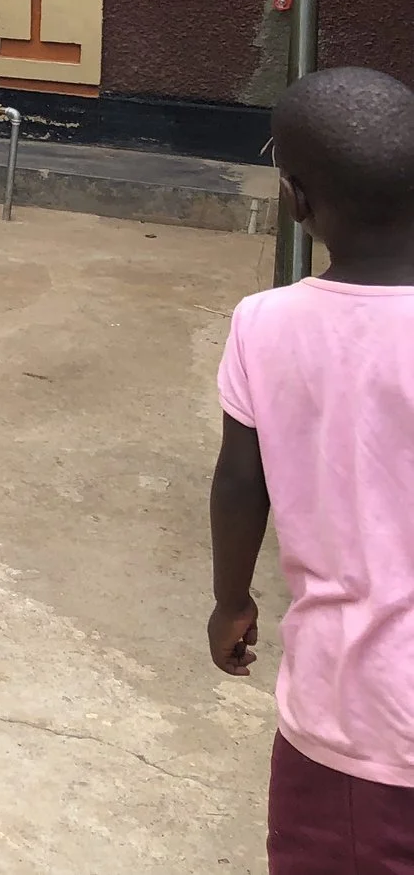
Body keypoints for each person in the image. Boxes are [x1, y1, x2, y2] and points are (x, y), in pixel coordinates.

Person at [210, 66, 414, 873]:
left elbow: (239, 480)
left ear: (296, 197)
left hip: (357, 720)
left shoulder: (265, 326)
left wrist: (232, 599)